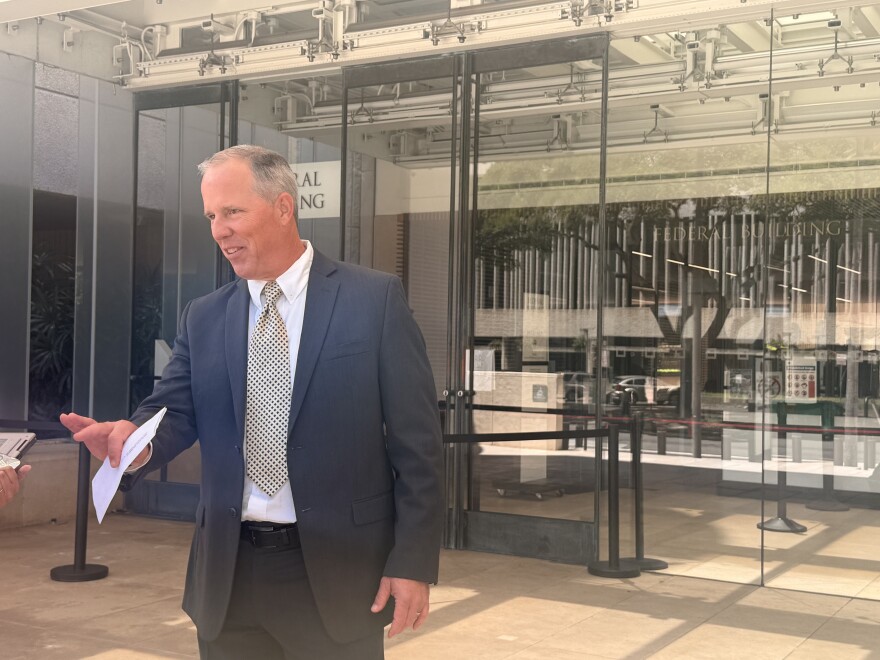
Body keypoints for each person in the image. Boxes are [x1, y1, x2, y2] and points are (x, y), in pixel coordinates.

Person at [60, 145, 444, 659]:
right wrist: (131, 442)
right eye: (212, 216)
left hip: (338, 575)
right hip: (227, 580)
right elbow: (172, 413)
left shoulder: (373, 301)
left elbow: (418, 447)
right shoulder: (204, 315)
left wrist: (413, 561)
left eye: (233, 212)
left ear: (283, 208)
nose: (219, 231)